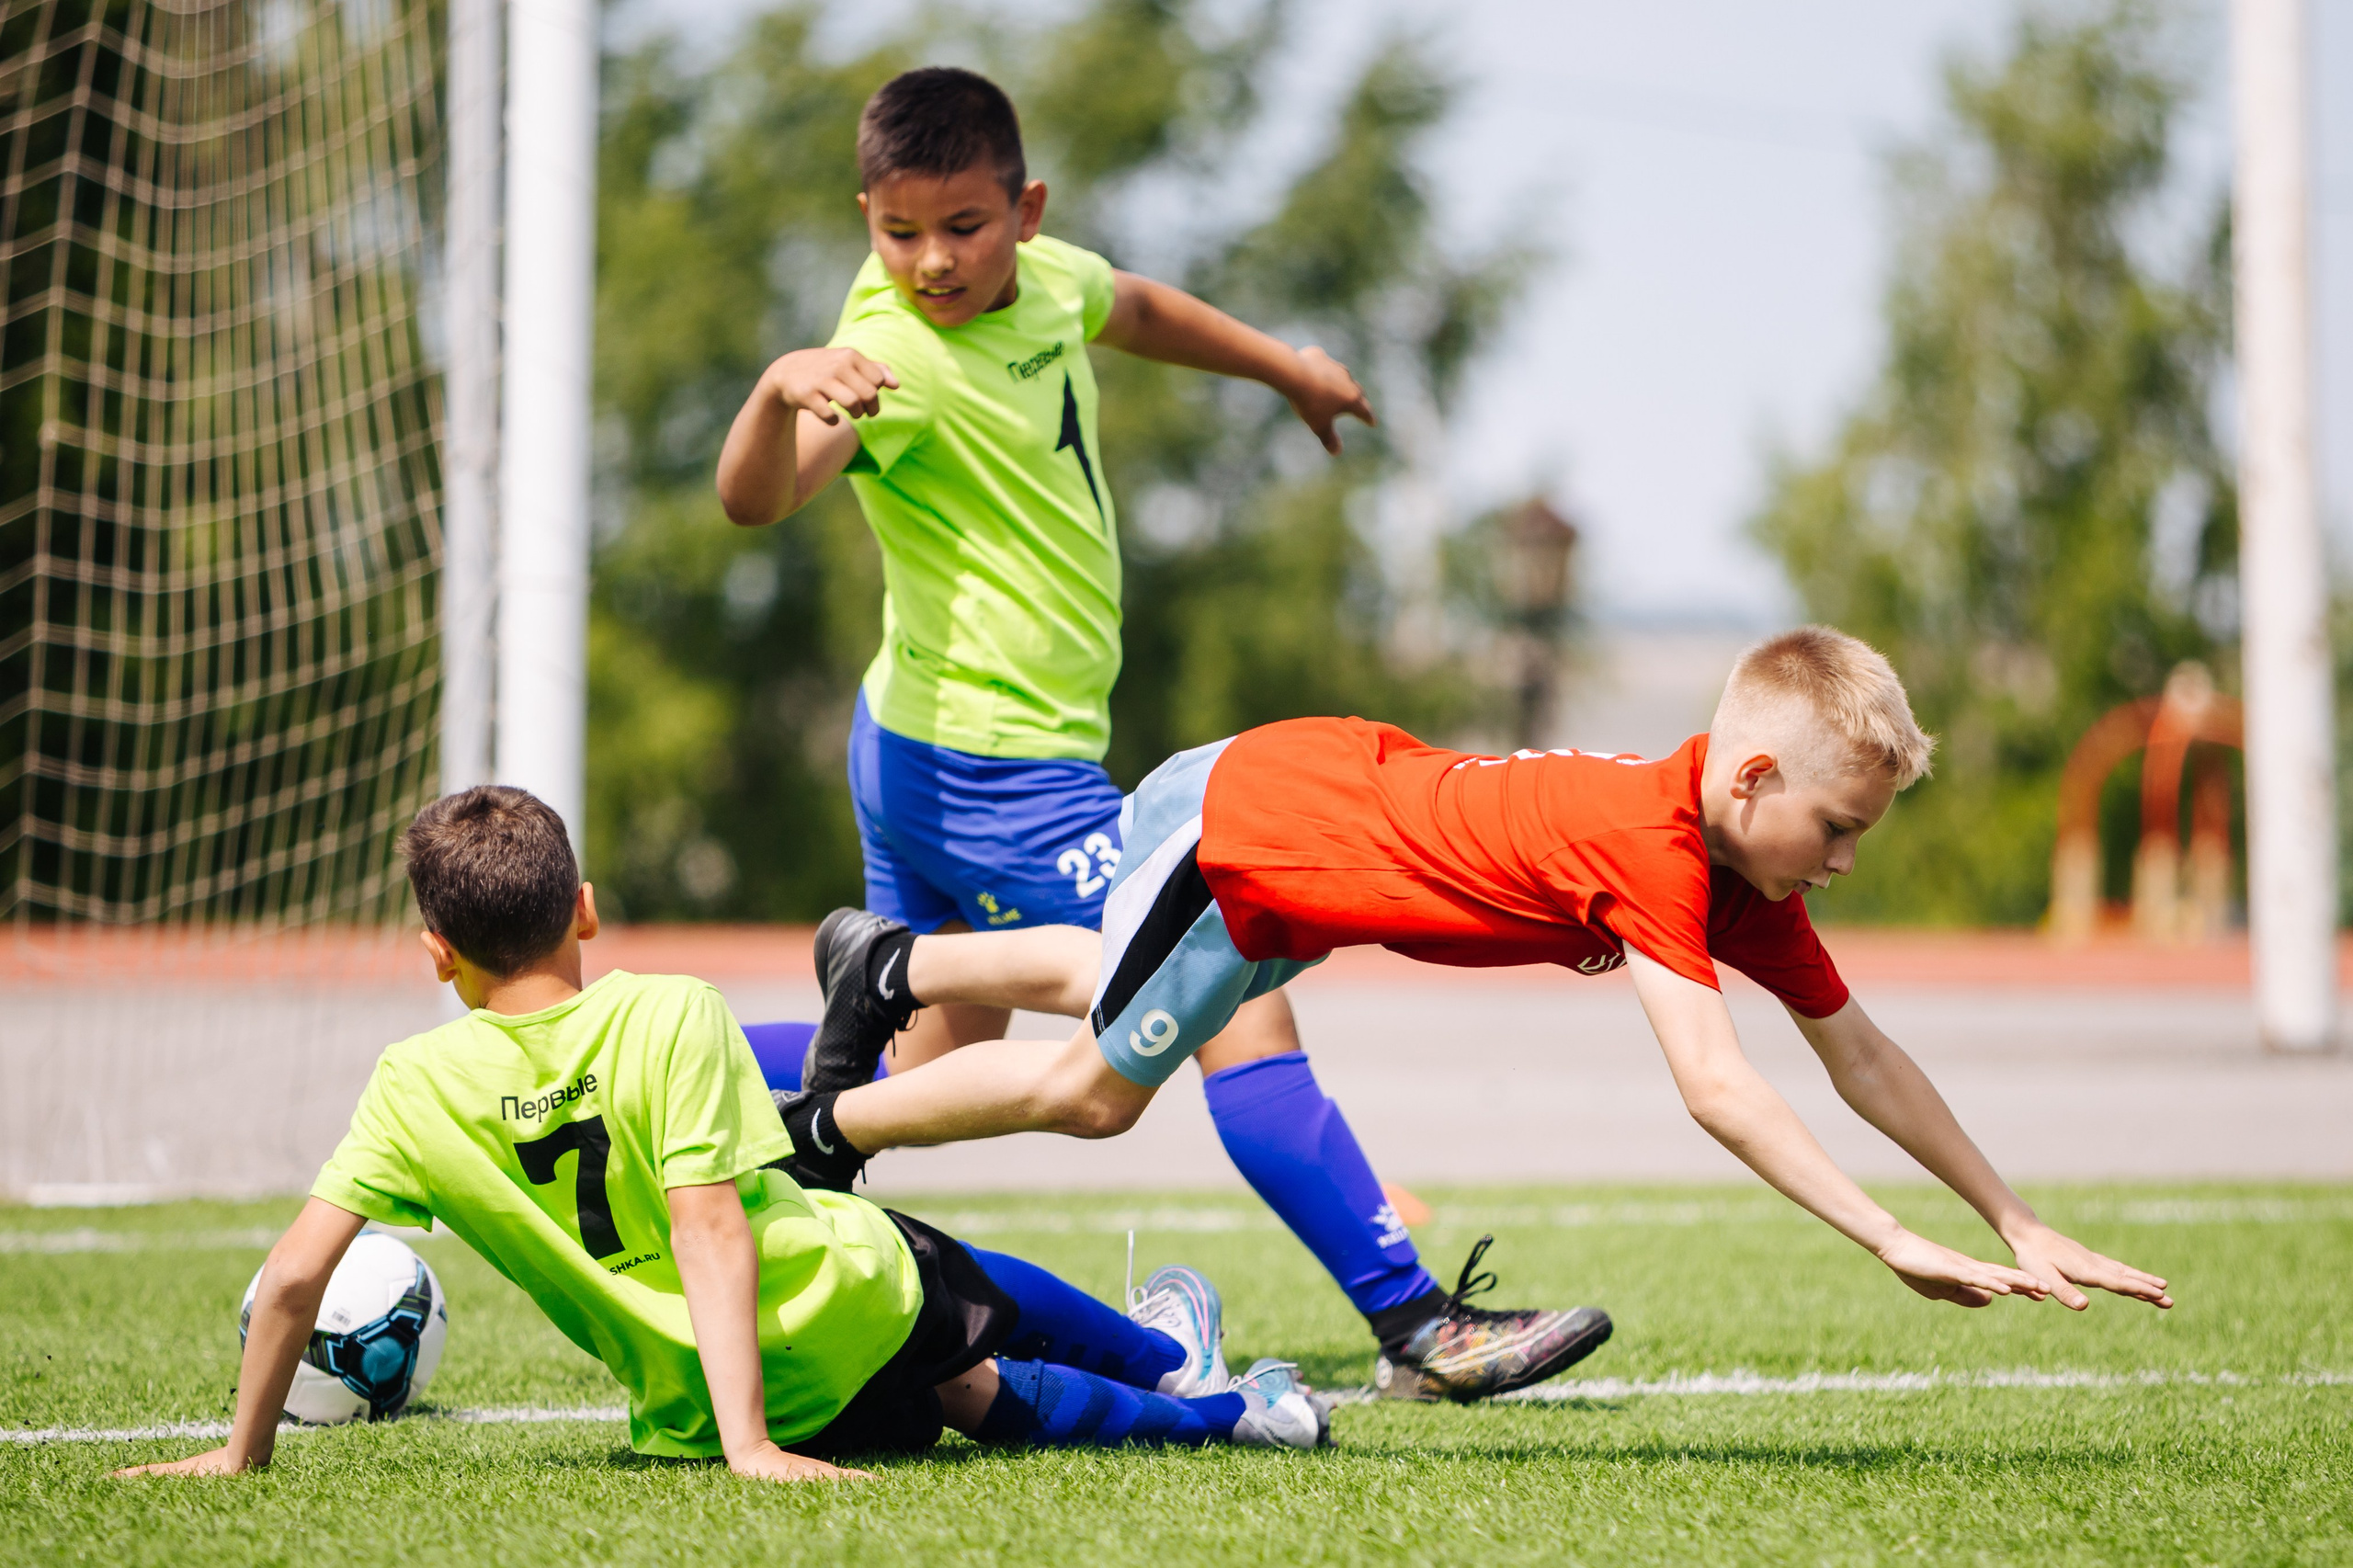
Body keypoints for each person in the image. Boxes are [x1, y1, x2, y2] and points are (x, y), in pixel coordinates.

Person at [712, 64, 1598, 1400]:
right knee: (1237, 968)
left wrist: (1286, 367)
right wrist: (781, 389)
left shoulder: (1049, 282)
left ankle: (638, 1069)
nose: (933, 260)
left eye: (963, 226)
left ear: (1028, 210)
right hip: (989, 768)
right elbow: (757, 502)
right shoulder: (884, 359)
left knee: (917, 1058)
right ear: (866, 220)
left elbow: (1132, 306)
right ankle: (1418, 1322)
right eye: (899, 233)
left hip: (922, 742)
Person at [781, 629, 2177, 1324]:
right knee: (1095, 1088)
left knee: (1103, 1005)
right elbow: (1714, 1084)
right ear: (1751, 777)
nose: (1846, 863)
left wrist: (2011, 1214)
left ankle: (886, 962)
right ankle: (820, 1129)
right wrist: (1886, 1236)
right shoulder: (1656, 841)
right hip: (1257, 824)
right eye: (1838, 830)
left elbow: (1860, 1051)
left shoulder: (1739, 870)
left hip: (1298, 856)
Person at [112, 788, 1329, 1485]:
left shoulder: (409, 1085)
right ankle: (1188, 1375)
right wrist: (756, 1447)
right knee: (933, 1284)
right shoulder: (673, 1007)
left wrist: (240, 1451)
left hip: (691, 1397)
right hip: (823, 1315)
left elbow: (291, 1277)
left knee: (965, 1389)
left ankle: (1229, 1405)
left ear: (437, 952)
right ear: (584, 908)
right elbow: (710, 1222)